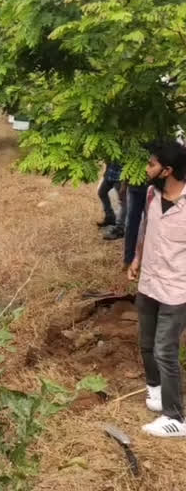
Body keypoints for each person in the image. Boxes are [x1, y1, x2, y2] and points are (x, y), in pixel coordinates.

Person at [128, 139, 186, 437]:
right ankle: (155, 390)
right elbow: (144, 228)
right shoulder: (151, 194)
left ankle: (175, 417)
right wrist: (136, 258)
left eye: (152, 164)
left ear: (168, 170)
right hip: (149, 283)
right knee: (146, 343)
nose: (147, 168)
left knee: (165, 350)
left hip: (177, 290)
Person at [97, 161, 124, 233]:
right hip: (110, 175)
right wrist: (106, 172)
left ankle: (121, 226)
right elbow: (109, 160)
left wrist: (124, 182)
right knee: (101, 193)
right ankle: (110, 217)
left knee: (123, 201)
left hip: (120, 178)